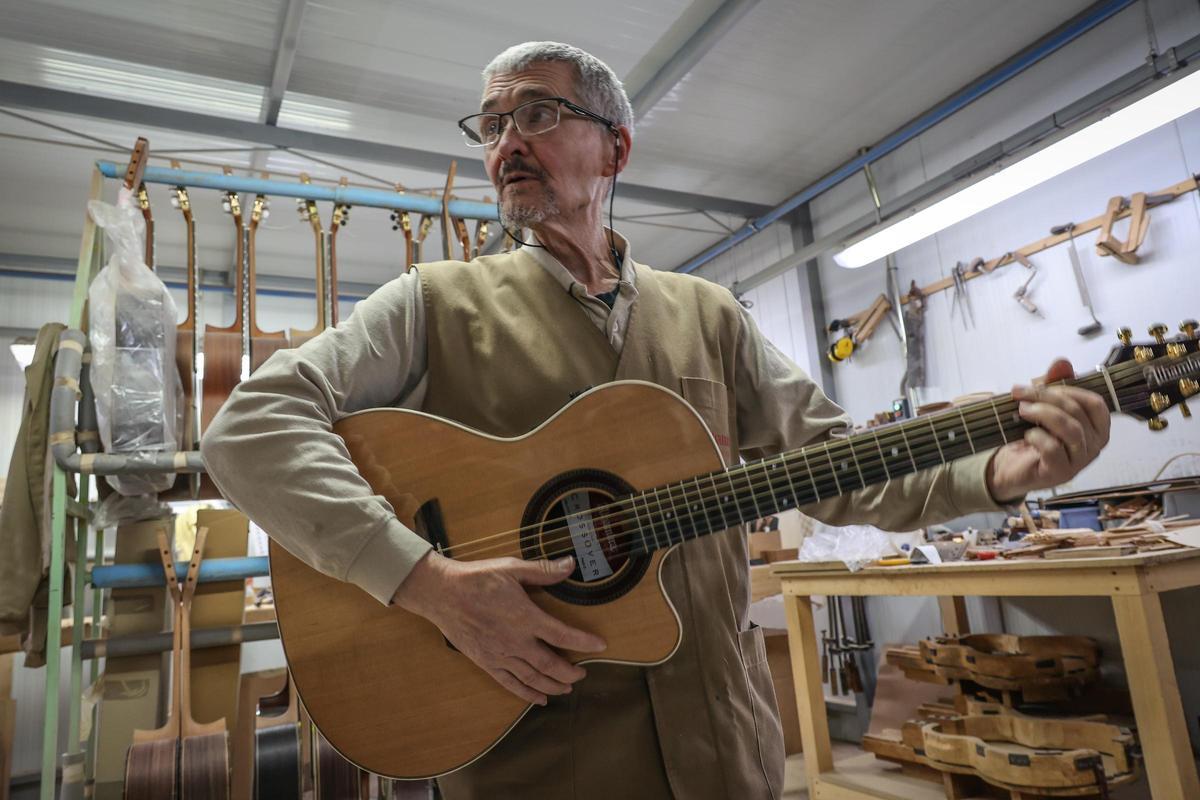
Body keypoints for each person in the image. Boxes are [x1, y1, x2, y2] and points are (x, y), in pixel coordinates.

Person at [202, 41, 1110, 800]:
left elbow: (833, 462)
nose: (507, 141)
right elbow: (249, 428)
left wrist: (994, 475)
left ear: (616, 150)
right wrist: (425, 580)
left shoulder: (709, 314)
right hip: (537, 770)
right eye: (492, 123)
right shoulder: (430, 304)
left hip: (727, 752)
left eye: (538, 114)